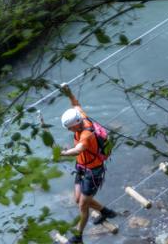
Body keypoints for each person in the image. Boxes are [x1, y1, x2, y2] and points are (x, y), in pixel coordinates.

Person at [59, 84, 117, 243]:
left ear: (77, 124)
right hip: (82, 166)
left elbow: (78, 150)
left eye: (71, 128)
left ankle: (78, 236)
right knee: (78, 199)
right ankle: (106, 211)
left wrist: (62, 153)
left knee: (82, 206)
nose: (70, 131)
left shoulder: (86, 135)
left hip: (94, 171)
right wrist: (68, 92)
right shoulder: (80, 116)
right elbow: (75, 103)